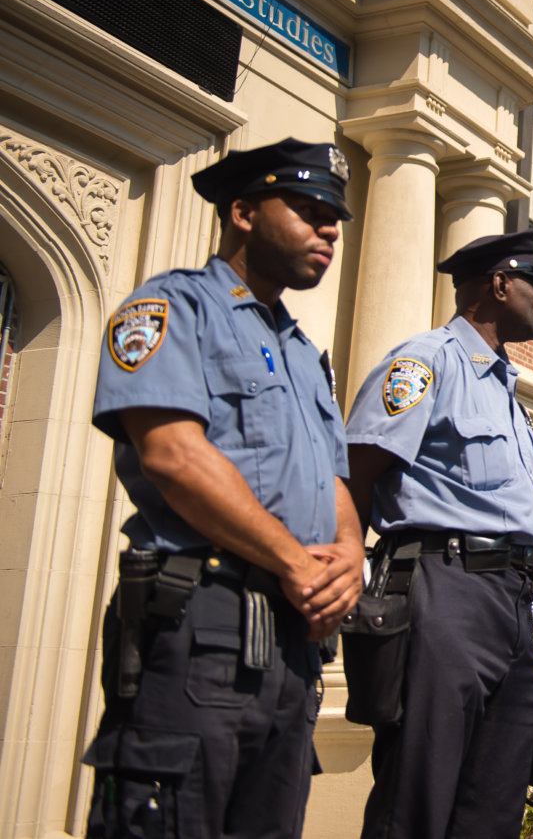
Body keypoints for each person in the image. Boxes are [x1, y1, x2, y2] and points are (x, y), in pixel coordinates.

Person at [83, 139, 363, 838]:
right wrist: (298, 561)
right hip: (201, 624)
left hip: (294, 646)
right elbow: (174, 456)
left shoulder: (303, 352)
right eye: (307, 209)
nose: (329, 228)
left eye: (335, 216)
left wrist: (352, 558)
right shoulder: (172, 308)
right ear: (242, 211)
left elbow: (331, 476)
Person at [343, 231, 533, 839]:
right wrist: (352, 578)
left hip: (514, 603)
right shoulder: (425, 361)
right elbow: (357, 469)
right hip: (444, 589)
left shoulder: (507, 388)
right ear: (497, 283)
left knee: (495, 801)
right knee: (419, 791)